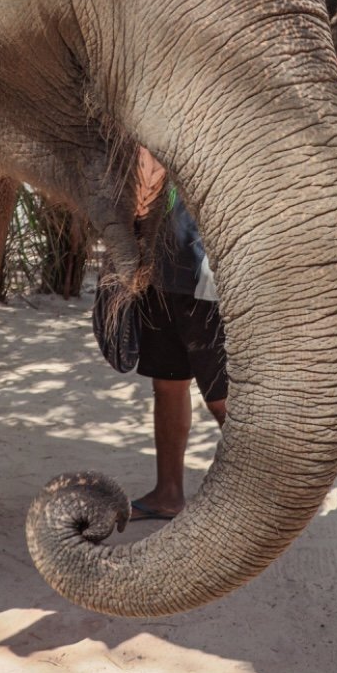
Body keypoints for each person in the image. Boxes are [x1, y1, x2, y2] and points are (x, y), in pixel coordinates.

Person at [129, 148, 227, 521]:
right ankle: (168, 493)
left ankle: (261, 502)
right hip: (157, 274)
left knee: (222, 397)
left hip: (203, 279)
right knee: (167, 384)